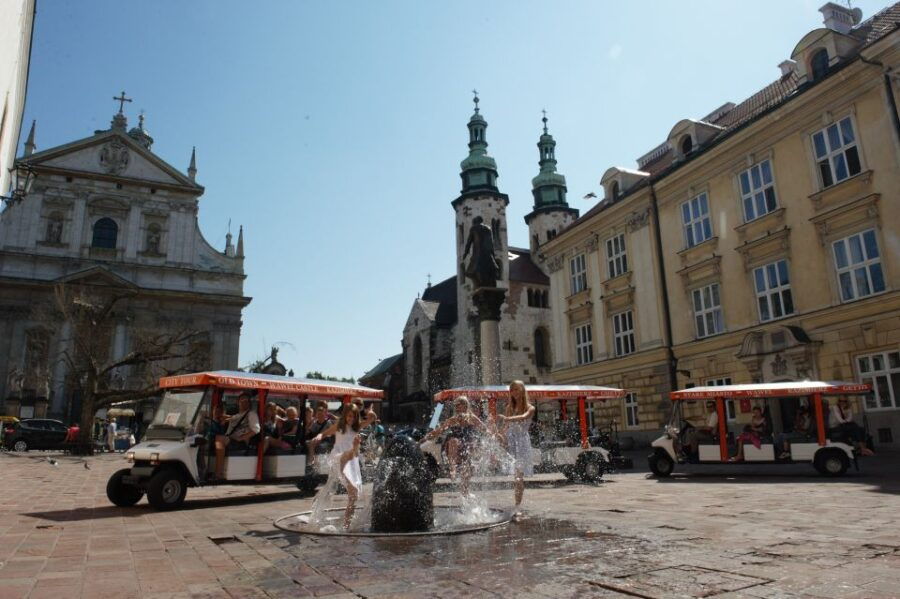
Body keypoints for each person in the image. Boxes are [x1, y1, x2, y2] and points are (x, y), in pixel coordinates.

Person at [310, 404, 363, 529]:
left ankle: (346, 524)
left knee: (353, 494)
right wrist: (318, 437)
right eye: (349, 416)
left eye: (354, 417)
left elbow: (372, 418)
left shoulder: (356, 429)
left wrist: (356, 449)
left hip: (351, 462)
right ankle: (354, 448)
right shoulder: (340, 427)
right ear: (345, 415)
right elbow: (324, 434)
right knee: (348, 453)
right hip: (338, 458)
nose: (351, 419)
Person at [421, 396, 486, 496]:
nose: (457, 408)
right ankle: (453, 468)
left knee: (468, 465)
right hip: (453, 445)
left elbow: (484, 429)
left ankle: (465, 492)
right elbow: (439, 430)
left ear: (465, 406)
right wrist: (426, 438)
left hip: (467, 445)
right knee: (454, 442)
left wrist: (493, 435)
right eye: (456, 406)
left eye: (459, 405)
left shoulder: (472, 418)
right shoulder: (453, 419)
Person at [498, 380, 536, 509]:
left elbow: (524, 417)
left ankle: (517, 505)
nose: (514, 392)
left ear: (522, 390)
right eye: (512, 390)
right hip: (511, 442)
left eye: (517, 389)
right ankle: (517, 504)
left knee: (519, 477)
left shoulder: (530, 408)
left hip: (522, 443)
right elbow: (505, 427)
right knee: (516, 477)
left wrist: (508, 419)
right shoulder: (509, 408)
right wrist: (499, 435)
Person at [213, 393, 261, 480]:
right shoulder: (237, 415)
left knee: (219, 439)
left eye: (246, 400)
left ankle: (218, 473)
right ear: (237, 402)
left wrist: (242, 438)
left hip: (240, 442)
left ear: (249, 403)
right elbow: (228, 418)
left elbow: (256, 429)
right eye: (241, 400)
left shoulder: (251, 414)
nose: (244, 402)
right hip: (231, 440)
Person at [306, 400, 336, 465]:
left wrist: (324, 435)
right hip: (317, 439)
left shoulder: (328, 422)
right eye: (318, 414)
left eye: (321, 414)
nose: (320, 416)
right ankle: (312, 459)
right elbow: (309, 431)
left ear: (324, 414)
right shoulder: (315, 422)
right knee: (309, 443)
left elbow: (331, 433)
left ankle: (312, 460)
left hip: (326, 440)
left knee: (317, 445)